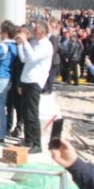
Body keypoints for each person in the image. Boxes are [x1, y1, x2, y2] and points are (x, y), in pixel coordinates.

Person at [14, 21, 54, 154]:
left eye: (36, 30)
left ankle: (37, 144)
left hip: (35, 81)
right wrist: (21, 45)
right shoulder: (33, 43)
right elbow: (24, 59)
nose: (33, 32)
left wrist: (25, 41)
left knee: (32, 114)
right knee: (25, 112)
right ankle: (28, 139)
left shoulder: (46, 45)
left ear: (42, 32)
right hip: (26, 79)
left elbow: (33, 58)